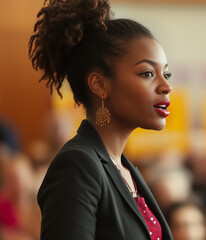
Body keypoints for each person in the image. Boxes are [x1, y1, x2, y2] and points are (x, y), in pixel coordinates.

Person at [28, 0, 173, 239]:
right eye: (147, 73)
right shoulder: (78, 164)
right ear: (99, 85)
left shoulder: (124, 168)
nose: (166, 86)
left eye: (166, 74)